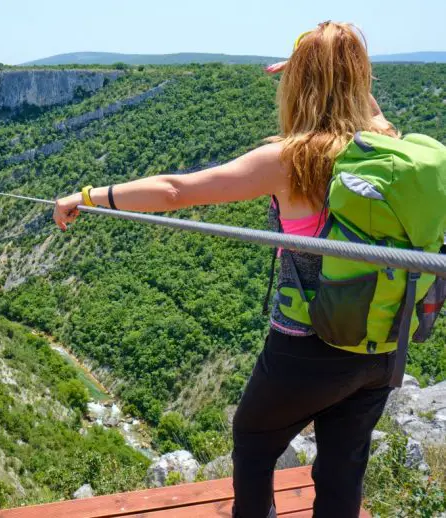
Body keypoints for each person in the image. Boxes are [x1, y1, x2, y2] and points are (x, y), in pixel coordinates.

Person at [53, 22, 398, 518]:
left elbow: (177, 191)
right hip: (381, 343)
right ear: (359, 84)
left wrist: (85, 198)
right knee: (343, 466)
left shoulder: (290, 159)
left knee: (254, 441)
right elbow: (370, 114)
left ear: (300, 85)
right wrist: (349, 80)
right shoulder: (391, 146)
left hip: (309, 341)